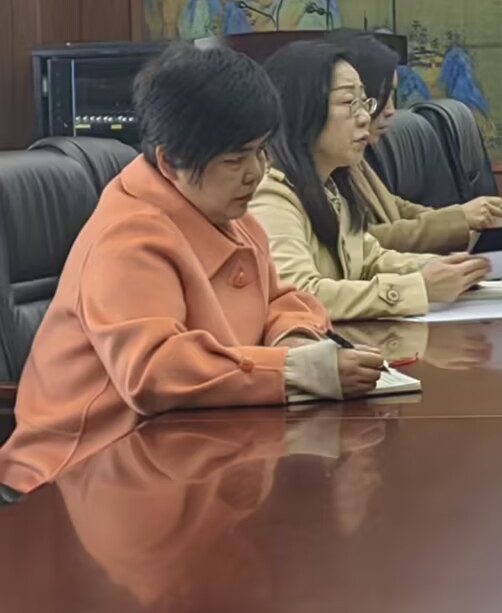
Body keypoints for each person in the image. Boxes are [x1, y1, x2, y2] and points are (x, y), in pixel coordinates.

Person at [0, 45, 386, 500]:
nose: (255, 173)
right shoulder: (128, 238)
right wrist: (296, 371)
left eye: (261, 152)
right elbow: (155, 370)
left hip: (183, 453)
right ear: (169, 161)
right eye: (235, 160)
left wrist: (295, 339)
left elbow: (281, 299)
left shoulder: (227, 212)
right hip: (80, 479)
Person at [251, 42, 489, 321]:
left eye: (365, 102)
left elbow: (371, 259)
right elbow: (299, 295)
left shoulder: (331, 188)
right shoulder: (271, 195)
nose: (365, 117)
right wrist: (418, 288)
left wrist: (449, 268)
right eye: (348, 103)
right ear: (301, 109)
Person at [339, 32, 502, 253]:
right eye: (382, 96)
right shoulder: (315, 171)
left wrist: (463, 219)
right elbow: (360, 242)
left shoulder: (352, 158)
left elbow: (394, 206)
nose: (391, 110)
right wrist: (459, 220)